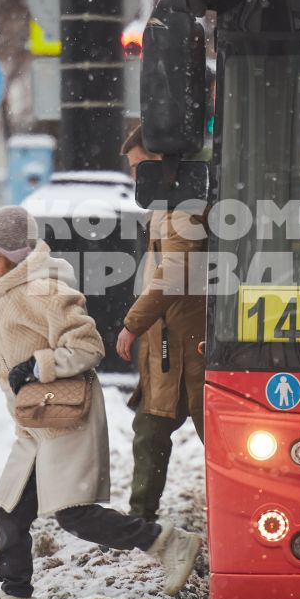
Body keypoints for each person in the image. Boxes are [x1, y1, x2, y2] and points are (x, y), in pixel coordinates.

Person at [0, 206, 203, 599]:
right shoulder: (7, 292)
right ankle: (15, 591)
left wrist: (38, 366)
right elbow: (8, 360)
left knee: (75, 515)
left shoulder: (44, 289)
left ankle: (168, 543)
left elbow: (87, 346)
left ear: (15, 254)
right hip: (34, 422)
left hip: (66, 418)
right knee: (9, 509)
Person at [114, 126, 207, 521]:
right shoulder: (167, 203)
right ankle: (140, 518)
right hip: (170, 347)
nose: (137, 178)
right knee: (150, 431)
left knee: (215, 437)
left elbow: (176, 270)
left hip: (192, 346)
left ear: (161, 164)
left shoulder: (182, 203)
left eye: (139, 168)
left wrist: (133, 322)